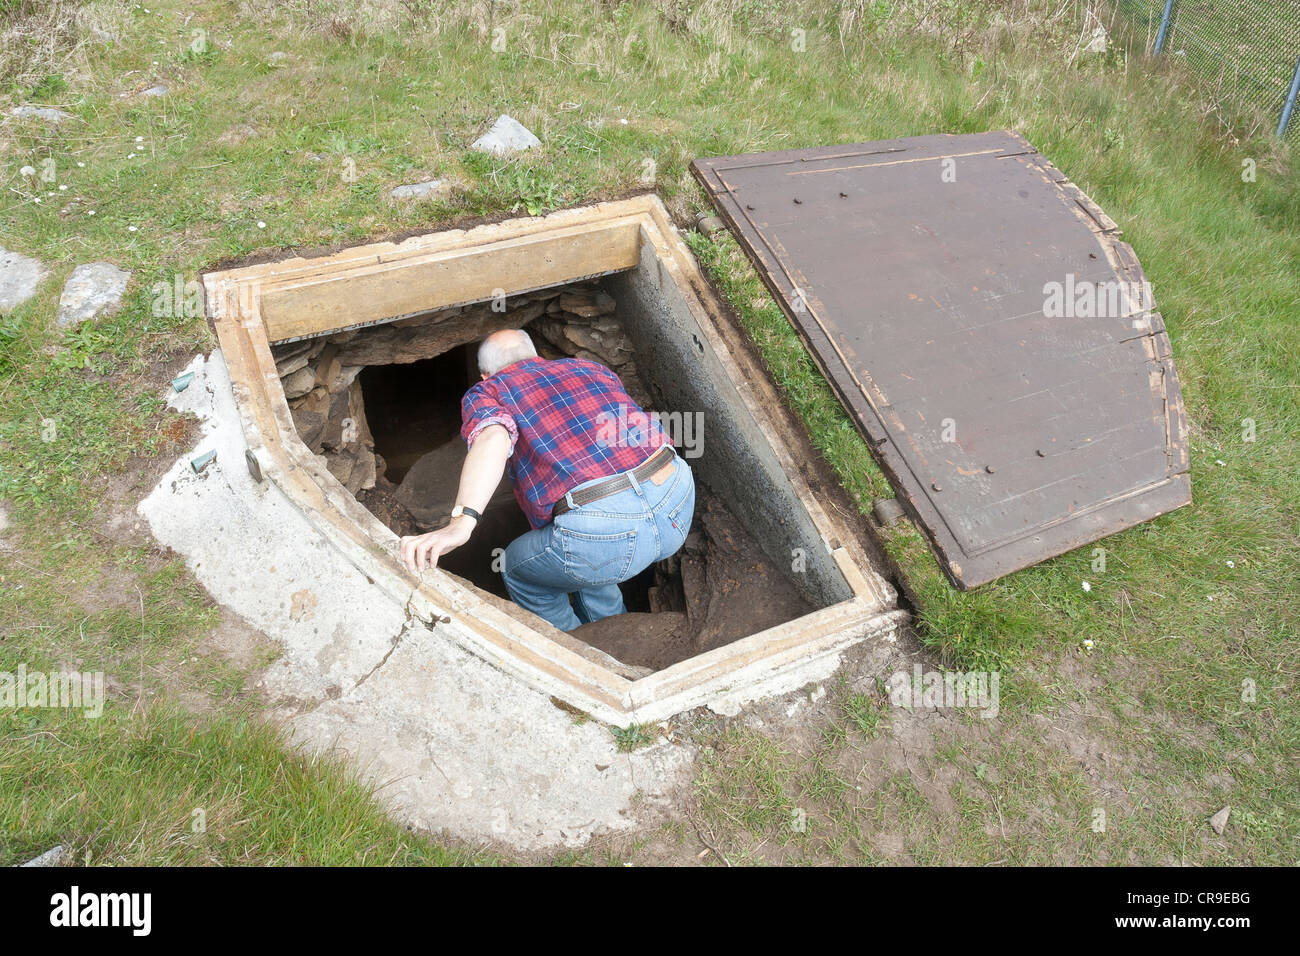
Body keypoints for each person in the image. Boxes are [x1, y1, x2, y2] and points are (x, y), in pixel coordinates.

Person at [399, 328, 696, 631]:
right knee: (587, 550)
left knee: (517, 569)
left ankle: (579, 646)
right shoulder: (588, 367)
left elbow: (493, 438)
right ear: (537, 356)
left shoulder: (487, 391)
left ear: (484, 375)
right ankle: (614, 626)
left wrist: (462, 523)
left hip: (603, 532)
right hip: (676, 498)